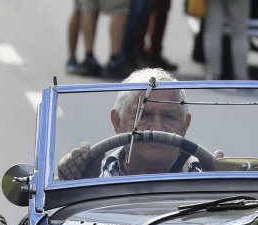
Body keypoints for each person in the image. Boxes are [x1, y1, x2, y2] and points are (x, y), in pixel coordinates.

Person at [55, 69, 209, 178]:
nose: (157, 128)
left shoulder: (208, 177)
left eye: (169, 116)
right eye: (142, 115)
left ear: (185, 125)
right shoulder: (95, 176)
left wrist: (219, 182)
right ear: (117, 121)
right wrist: (75, 181)